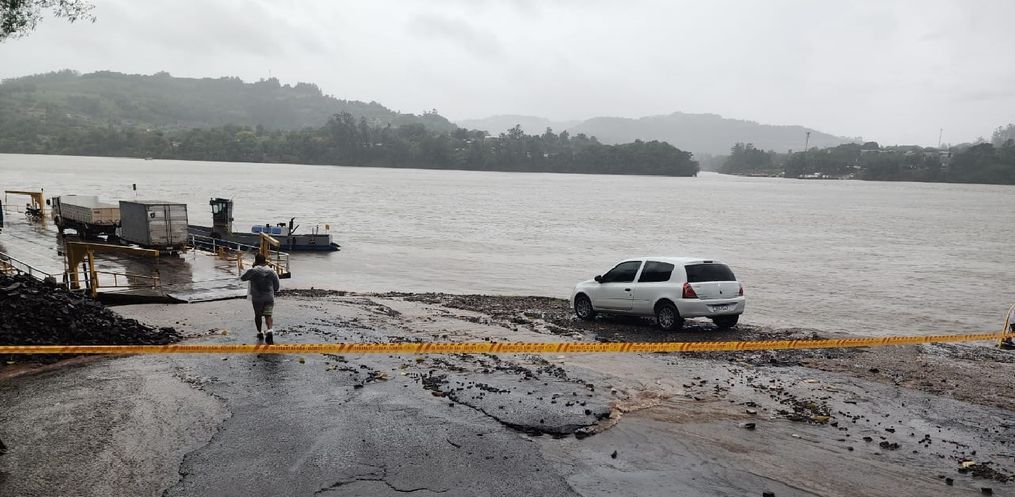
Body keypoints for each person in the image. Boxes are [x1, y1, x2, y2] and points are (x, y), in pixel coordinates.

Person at [240, 253, 280, 344]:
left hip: (257, 297)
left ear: (256, 261)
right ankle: (269, 330)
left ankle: (260, 332)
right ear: (265, 260)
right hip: (269, 297)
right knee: (268, 315)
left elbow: (243, 278)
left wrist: (251, 270)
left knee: (258, 315)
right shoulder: (271, 271)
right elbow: (277, 286)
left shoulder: (253, 270)